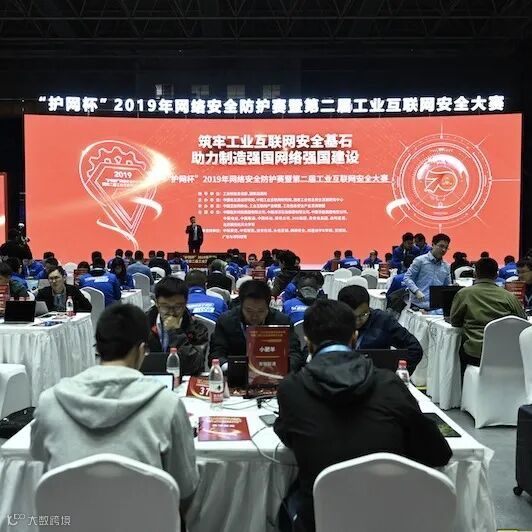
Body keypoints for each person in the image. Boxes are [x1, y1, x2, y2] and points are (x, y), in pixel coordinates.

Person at [274, 299, 452, 532]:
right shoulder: (389, 383)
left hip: (320, 519)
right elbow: (438, 453)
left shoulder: (292, 389)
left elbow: (289, 437)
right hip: (392, 517)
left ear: (307, 343)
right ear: (354, 338)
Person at [30, 304, 199, 521]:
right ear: (141, 349)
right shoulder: (166, 404)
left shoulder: (51, 401)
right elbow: (185, 487)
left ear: (98, 347)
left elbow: (38, 456)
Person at [450, 258, 526, 375]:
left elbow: (455, 322)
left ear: (475, 273)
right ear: (496, 275)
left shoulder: (464, 294)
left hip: (474, 353)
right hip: (505, 352)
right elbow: (522, 321)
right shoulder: (509, 296)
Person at [209, 280, 305, 371]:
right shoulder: (226, 321)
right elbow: (216, 354)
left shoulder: (282, 322)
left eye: (260, 311)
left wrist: (282, 367)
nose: (254, 316)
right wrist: (231, 367)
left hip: (275, 375)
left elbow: (295, 354)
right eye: (249, 311)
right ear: (241, 306)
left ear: (268, 306)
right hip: (235, 375)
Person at [338, 285, 422, 374]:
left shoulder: (382, 321)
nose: (358, 321)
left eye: (363, 314)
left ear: (368, 307)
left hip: (375, 377)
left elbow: (414, 349)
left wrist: (396, 375)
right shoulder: (334, 322)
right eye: (352, 317)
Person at [147, 277, 208, 375]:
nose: (171, 312)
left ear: (186, 303)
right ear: (156, 303)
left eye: (177, 307)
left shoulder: (197, 328)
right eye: (165, 307)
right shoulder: (144, 324)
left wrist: (176, 333)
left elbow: (196, 366)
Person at [404, 233, 452, 310]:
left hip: (436, 308)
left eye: (446, 248)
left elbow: (447, 286)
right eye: (441, 246)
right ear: (433, 245)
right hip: (418, 306)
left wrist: (453, 288)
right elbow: (407, 278)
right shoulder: (420, 261)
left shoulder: (446, 266)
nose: (444, 250)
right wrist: (416, 291)